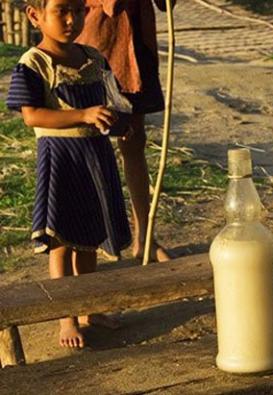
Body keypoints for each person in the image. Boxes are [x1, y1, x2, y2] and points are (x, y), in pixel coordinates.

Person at [8, 0, 131, 347]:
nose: (71, 19)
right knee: (61, 242)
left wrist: (120, 124)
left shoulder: (93, 57)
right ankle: (67, 317)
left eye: (78, 10)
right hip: (61, 158)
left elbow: (109, 102)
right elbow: (32, 116)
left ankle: (89, 307)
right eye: (61, 10)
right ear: (35, 15)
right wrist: (83, 115)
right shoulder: (33, 63)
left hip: (95, 156)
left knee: (89, 238)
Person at [76, 0, 172, 262]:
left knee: (134, 139)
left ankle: (144, 237)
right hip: (95, 45)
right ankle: (91, 238)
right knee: (90, 140)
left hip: (134, 49)